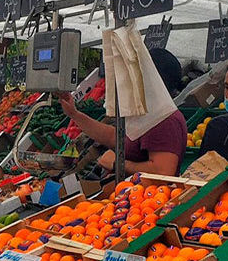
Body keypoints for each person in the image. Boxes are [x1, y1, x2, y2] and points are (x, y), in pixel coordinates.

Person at [56, 48, 188, 177]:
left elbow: (163, 172)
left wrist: (118, 164)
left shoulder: (165, 121)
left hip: (149, 196)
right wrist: (74, 114)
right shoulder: (147, 111)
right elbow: (115, 137)